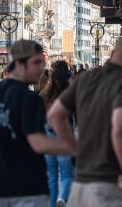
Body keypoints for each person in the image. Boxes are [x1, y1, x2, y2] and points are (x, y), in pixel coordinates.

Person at [0, 40, 71, 207]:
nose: (41, 68)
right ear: (19, 64)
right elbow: (38, 143)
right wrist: (76, 146)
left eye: (42, 63)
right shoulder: (29, 98)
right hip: (28, 189)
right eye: (36, 63)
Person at [47, 36, 122, 207]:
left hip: (81, 185)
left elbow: (55, 114)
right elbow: (120, 127)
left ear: (112, 53)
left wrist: (75, 148)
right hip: (111, 185)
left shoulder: (85, 79)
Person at [42, 61, 74, 207]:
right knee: (67, 174)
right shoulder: (70, 90)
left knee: (52, 176)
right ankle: (62, 197)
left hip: (48, 135)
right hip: (64, 135)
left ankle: (53, 205)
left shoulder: (45, 93)